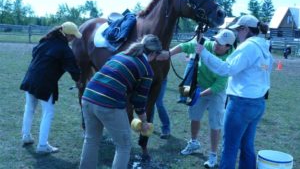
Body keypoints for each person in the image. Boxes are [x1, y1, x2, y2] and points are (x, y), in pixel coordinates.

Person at [196, 15, 273, 169]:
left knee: (230, 147)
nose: (237, 34)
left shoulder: (248, 47)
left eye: (238, 30)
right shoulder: (264, 47)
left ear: (245, 29)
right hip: (258, 103)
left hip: (241, 103)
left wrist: (204, 53)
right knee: (246, 146)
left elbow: (227, 69)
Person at [79, 34, 162, 169]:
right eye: (157, 55)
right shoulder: (147, 69)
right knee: (123, 146)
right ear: (153, 53)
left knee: (91, 140)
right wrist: (144, 122)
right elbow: (139, 102)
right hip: (108, 103)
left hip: (88, 97)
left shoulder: (121, 54)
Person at [157, 29, 236, 168]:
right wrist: (169, 53)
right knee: (194, 116)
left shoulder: (230, 61)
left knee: (215, 123)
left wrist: (198, 94)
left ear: (228, 46)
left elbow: (218, 86)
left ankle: (212, 155)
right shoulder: (208, 45)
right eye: (216, 40)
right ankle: (193, 142)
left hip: (216, 92)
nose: (216, 44)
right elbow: (186, 46)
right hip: (199, 85)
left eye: (221, 44)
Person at [20, 22, 82, 153]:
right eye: (73, 36)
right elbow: (73, 69)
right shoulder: (65, 50)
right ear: (67, 35)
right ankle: (42, 146)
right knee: (48, 112)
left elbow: (34, 53)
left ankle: (26, 136)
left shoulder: (45, 41)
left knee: (29, 108)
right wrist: (79, 81)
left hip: (30, 78)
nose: (74, 39)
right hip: (45, 82)